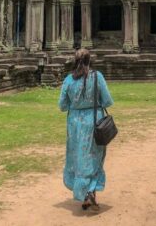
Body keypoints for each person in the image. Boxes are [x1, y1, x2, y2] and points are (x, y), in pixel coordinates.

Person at [59, 48, 114, 211]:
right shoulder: (97, 77)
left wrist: (76, 105)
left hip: (75, 123)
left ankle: (84, 195)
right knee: (95, 157)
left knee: (78, 158)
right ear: (90, 61)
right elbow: (107, 101)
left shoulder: (69, 80)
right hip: (94, 121)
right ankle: (90, 190)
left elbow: (62, 106)